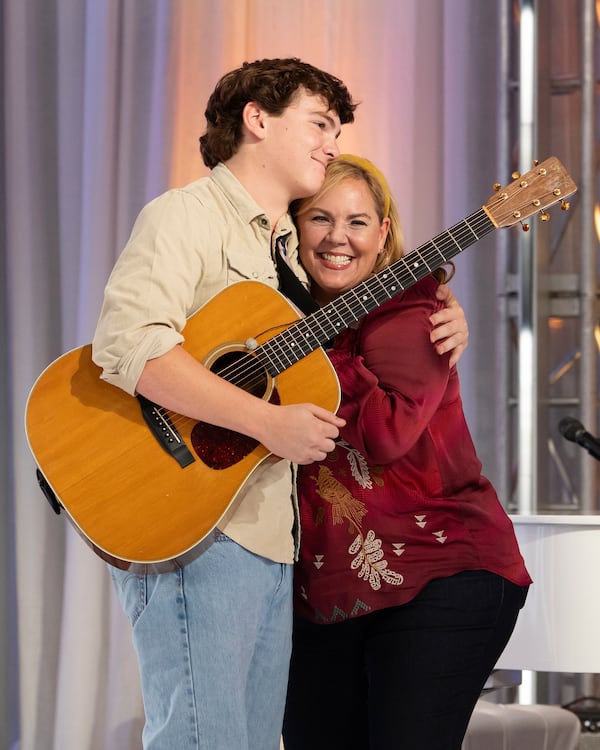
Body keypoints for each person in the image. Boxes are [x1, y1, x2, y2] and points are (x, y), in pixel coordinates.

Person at [91, 59, 469, 750]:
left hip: (270, 536)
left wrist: (443, 310)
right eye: (320, 122)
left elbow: (356, 336)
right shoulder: (186, 215)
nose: (332, 142)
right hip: (193, 528)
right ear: (257, 120)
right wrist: (267, 422)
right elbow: (130, 347)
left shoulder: (287, 255)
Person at [282, 155, 532, 750]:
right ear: (294, 228)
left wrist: (317, 351)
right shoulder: (276, 321)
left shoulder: (414, 313)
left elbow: (387, 434)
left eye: (358, 222)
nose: (337, 237)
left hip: (440, 572)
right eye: (319, 218)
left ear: (384, 233)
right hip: (327, 593)